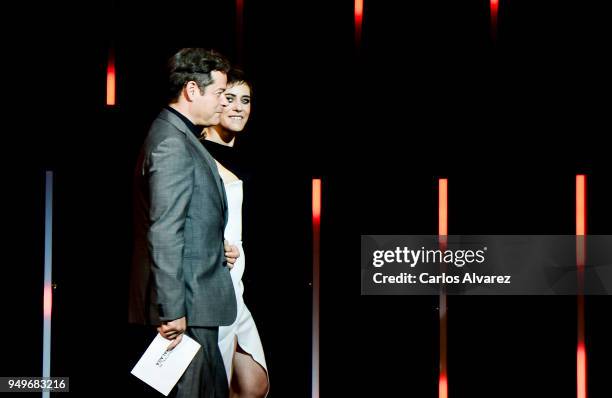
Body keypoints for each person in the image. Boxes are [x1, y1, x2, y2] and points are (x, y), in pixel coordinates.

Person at [129, 48, 239, 398]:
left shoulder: (182, 137)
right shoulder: (172, 143)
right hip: (185, 309)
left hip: (194, 303)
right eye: (220, 93)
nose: (224, 103)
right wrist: (172, 309)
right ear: (192, 90)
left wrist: (214, 247)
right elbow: (163, 230)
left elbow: (184, 220)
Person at [201, 69, 269, 398]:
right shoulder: (196, 155)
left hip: (238, 282)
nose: (239, 107)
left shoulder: (247, 158)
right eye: (229, 99)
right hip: (213, 280)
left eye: (246, 100)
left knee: (253, 384)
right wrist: (210, 249)